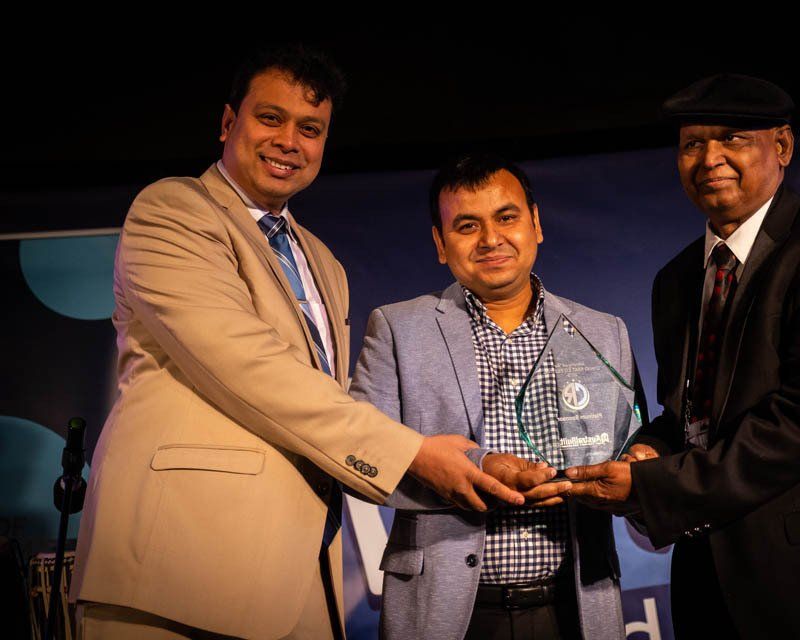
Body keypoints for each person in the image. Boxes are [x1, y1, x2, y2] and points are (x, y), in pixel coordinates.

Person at [69, 45, 526, 640]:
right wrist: (412, 453)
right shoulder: (173, 211)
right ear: (228, 123)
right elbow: (251, 369)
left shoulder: (323, 262)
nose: (290, 140)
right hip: (177, 574)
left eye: (310, 129)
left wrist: (475, 463)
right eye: (270, 118)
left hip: (298, 579)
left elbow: (333, 402)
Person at [565, 74, 800, 639]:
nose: (710, 158)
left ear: (783, 147)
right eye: (693, 143)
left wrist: (655, 487)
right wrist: (649, 451)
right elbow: (692, 418)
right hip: (716, 584)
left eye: (733, 139)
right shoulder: (674, 280)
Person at [349, 153, 641, 640]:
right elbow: (358, 457)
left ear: (536, 224)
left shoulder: (602, 331)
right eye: (467, 226)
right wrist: (469, 472)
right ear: (441, 244)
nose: (490, 239)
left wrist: (638, 462)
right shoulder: (399, 328)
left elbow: (630, 444)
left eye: (507, 217)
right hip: (448, 613)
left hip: (575, 607)